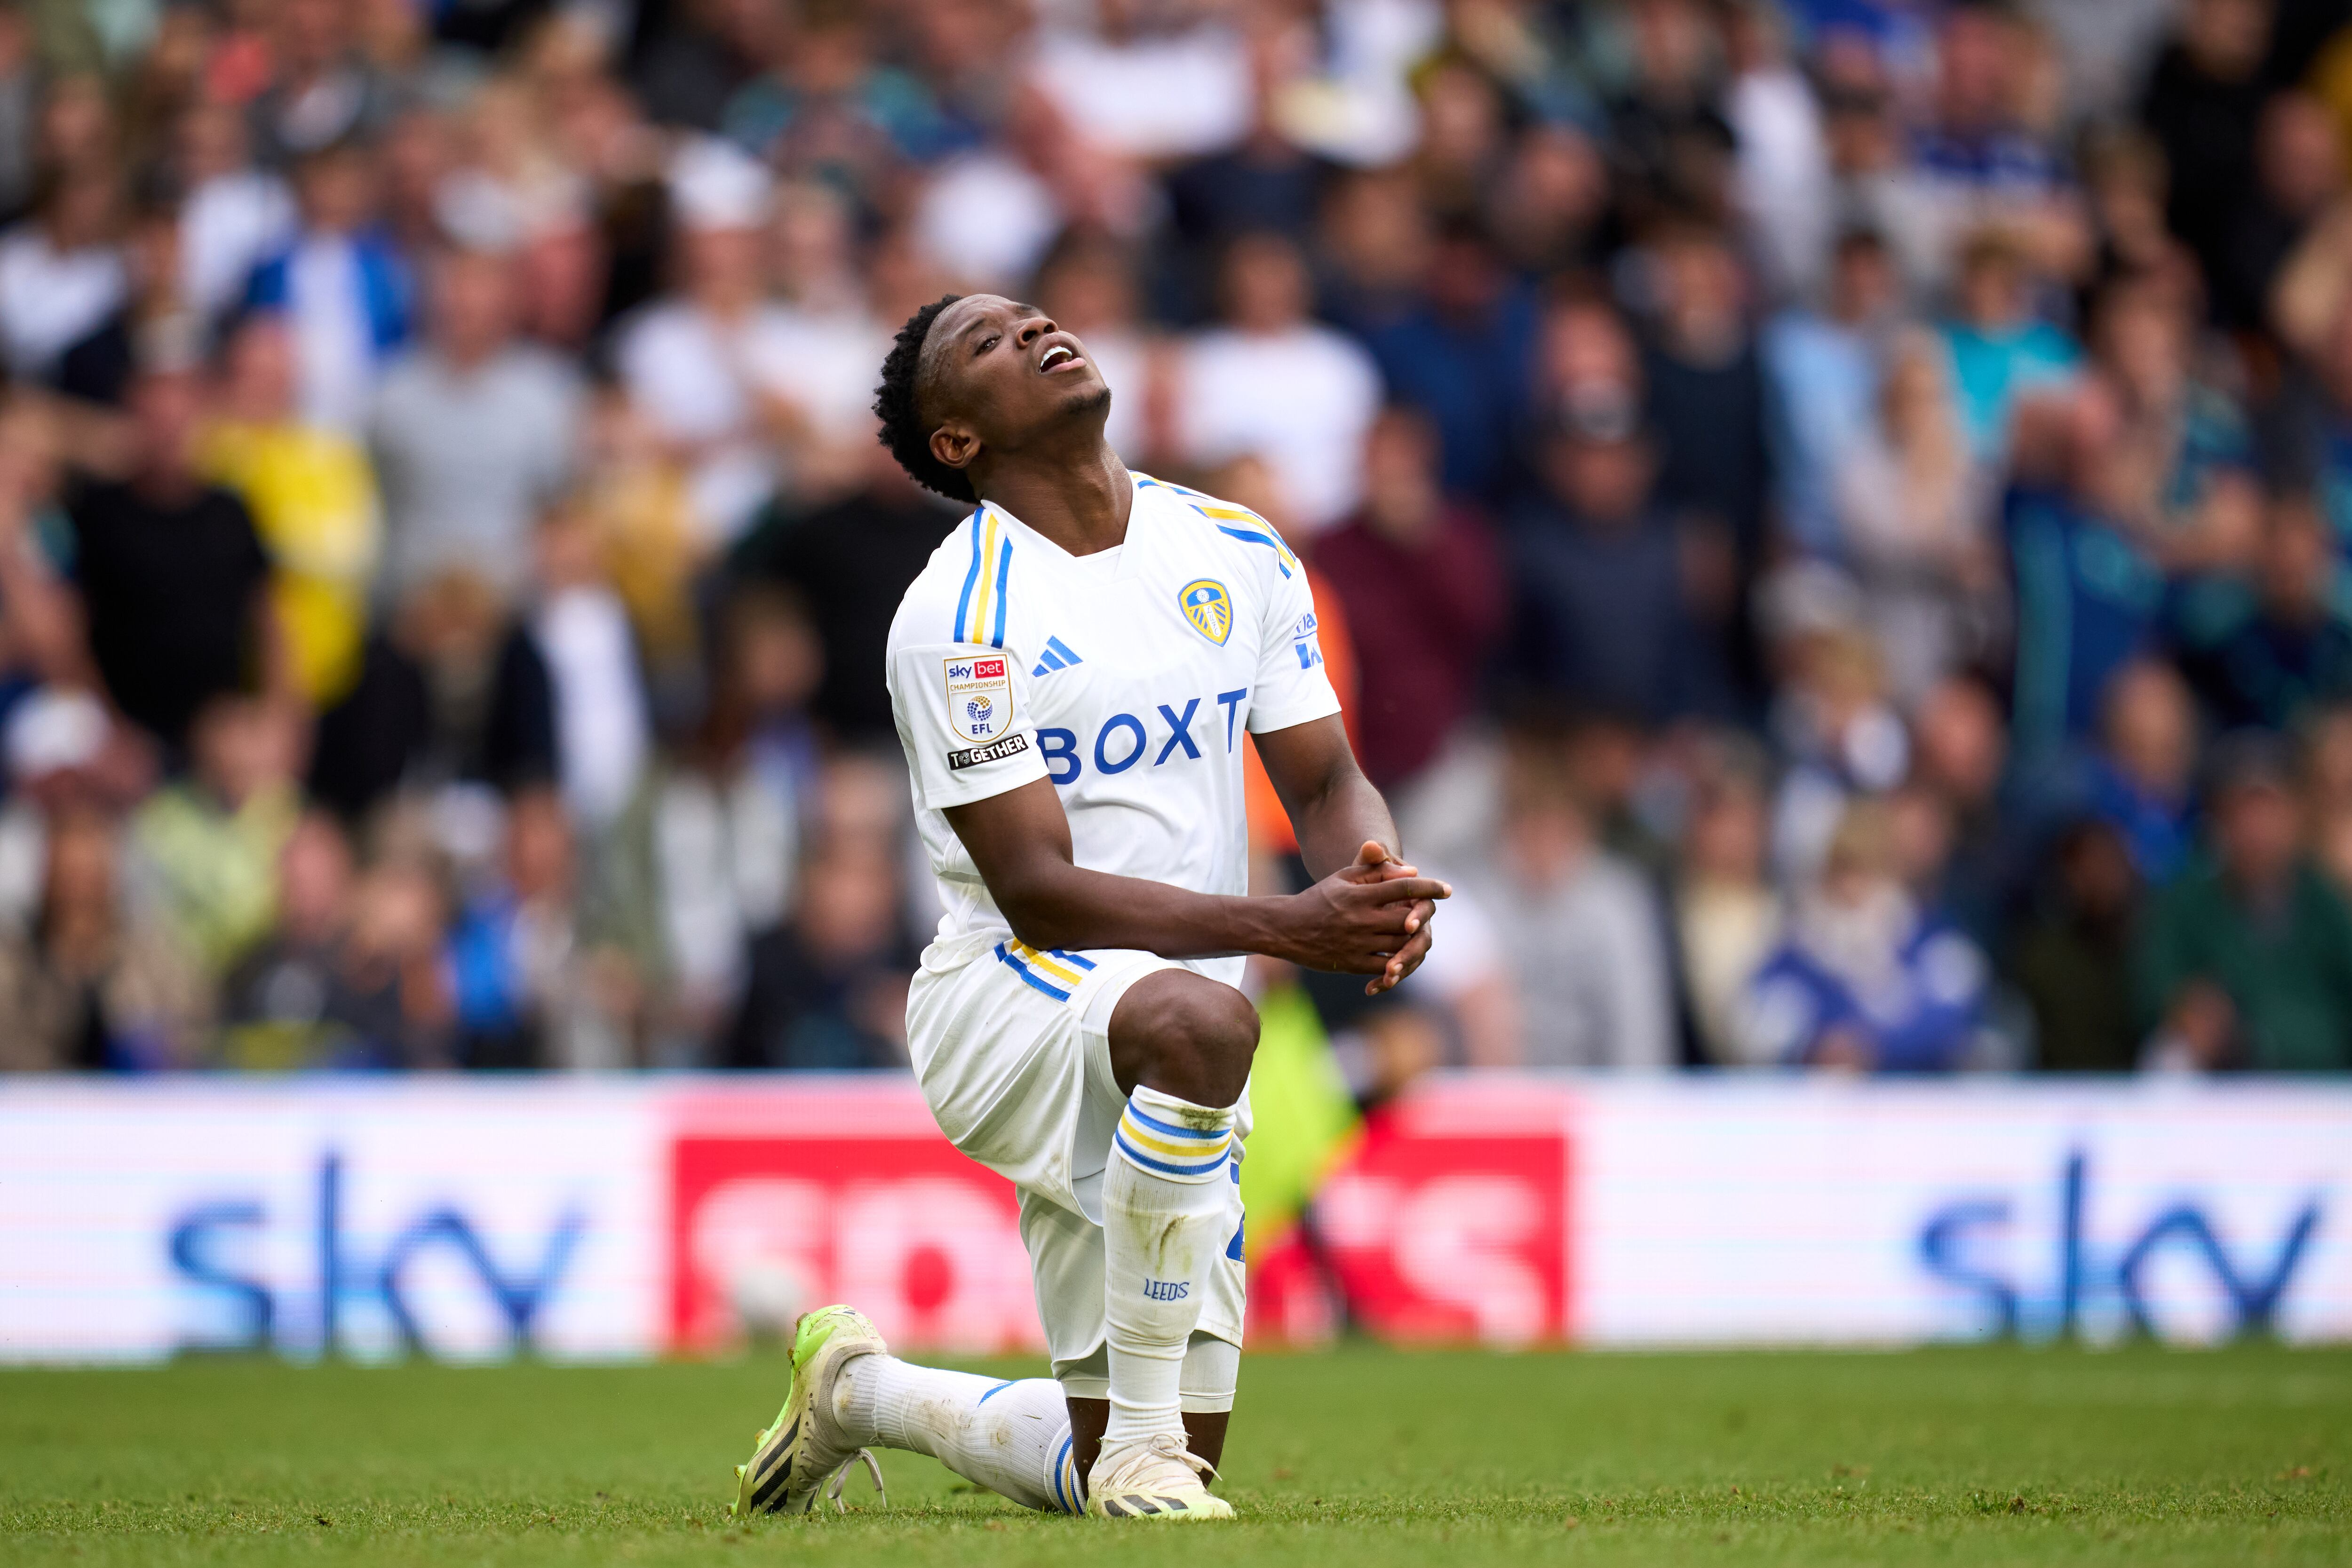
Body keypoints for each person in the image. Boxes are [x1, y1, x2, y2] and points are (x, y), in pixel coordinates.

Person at [729, 293, 1446, 1522]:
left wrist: (1371, 877)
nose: (1039, 330)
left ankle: (860, 1394)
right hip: (1009, 992)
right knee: (1205, 1028)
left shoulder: (1237, 547)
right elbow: (1039, 891)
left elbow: (1325, 777)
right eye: (992, 344)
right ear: (958, 440)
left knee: (1116, 1445)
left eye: (1034, 316)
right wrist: (1289, 927)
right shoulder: (958, 619)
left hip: (1178, 1020)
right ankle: (1144, 1454)